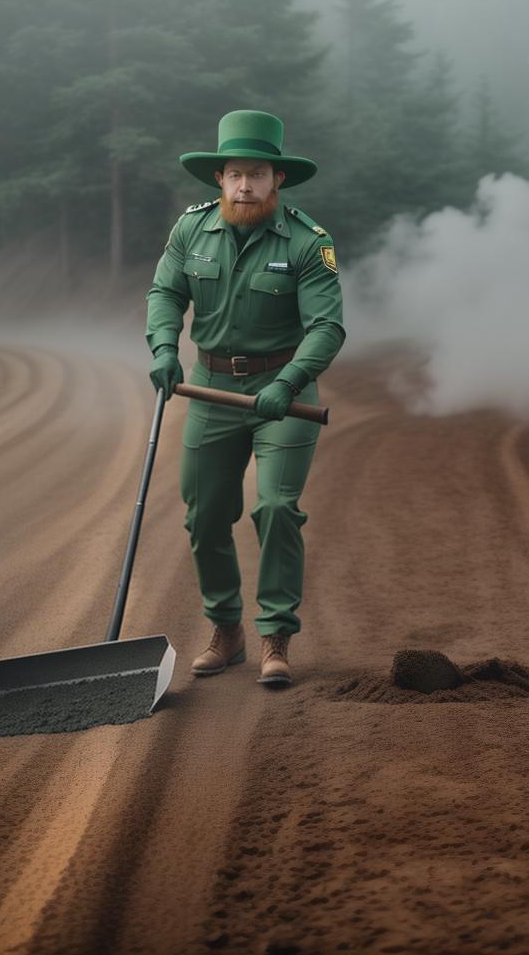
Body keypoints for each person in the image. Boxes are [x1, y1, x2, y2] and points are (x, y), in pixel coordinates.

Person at [145, 110, 345, 687]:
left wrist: (287, 383)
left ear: (277, 179)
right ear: (219, 179)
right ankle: (226, 630)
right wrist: (163, 348)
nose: (245, 185)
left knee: (276, 506)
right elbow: (165, 292)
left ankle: (275, 635)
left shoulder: (311, 242)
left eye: (257, 174)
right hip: (210, 389)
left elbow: (327, 327)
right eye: (235, 174)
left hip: (284, 390)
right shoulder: (191, 230)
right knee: (204, 514)